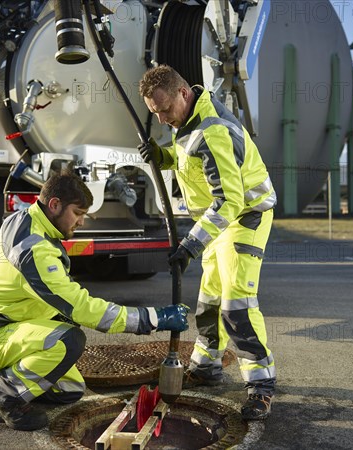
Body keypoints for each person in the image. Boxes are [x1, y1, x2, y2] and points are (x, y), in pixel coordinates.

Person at [0, 169, 189, 431]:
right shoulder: (33, 248)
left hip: (9, 327)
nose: (81, 222)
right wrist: (154, 318)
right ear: (54, 205)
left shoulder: (25, 220)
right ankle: (3, 395)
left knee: (70, 389)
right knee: (69, 339)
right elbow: (80, 306)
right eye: (77, 214)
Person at [138, 65, 277, 420]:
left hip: (244, 216)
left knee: (236, 305)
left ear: (183, 93)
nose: (164, 119)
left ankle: (260, 386)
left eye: (166, 109)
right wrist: (162, 156)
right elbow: (190, 161)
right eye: (156, 114)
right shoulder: (187, 122)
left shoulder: (211, 130)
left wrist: (190, 245)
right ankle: (205, 366)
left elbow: (229, 200)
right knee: (209, 301)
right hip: (218, 222)